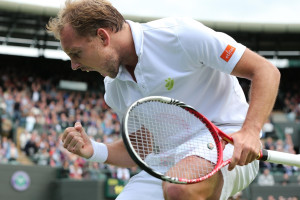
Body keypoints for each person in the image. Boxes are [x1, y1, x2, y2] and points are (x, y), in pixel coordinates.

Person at [47, 0, 280, 199]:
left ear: (102, 36)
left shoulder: (180, 35)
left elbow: (265, 71)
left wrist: (250, 131)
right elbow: (141, 148)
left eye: (76, 53)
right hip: (165, 162)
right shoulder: (113, 86)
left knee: (179, 189)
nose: (74, 65)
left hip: (227, 144)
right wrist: (94, 149)